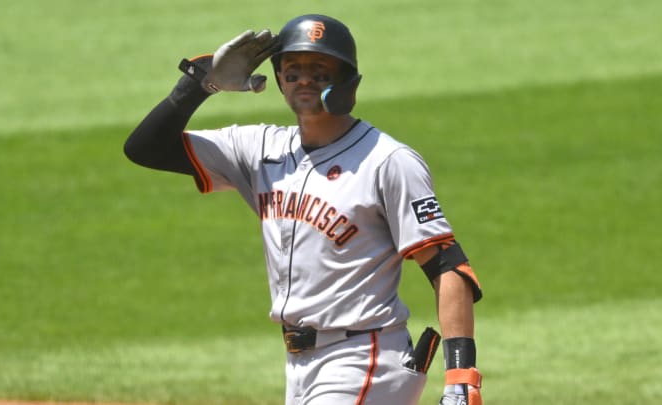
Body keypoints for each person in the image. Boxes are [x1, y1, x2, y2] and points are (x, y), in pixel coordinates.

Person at [124, 14, 483, 405]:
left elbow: (447, 265)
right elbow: (145, 149)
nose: (304, 79)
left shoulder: (387, 161)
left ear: (349, 80)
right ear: (278, 80)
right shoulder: (259, 149)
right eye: (292, 70)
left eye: (320, 69)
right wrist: (200, 85)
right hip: (300, 366)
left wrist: (461, 377)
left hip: (364, 360)